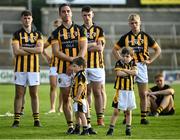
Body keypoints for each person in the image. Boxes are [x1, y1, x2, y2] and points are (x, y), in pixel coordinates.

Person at [112, 13, 161, 124]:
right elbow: (114, 50)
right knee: (127, 92)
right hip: (129, 67)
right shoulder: (125, 37)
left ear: (140, 23)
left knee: (143, 94)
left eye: (136, 23)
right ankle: (126, 117)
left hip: (142, 66)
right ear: (129, 24)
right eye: (132, 23)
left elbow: (158, 50)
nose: (134, 25)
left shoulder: (146, 36)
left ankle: (143, 118)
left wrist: (150, 60)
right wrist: (121, 61)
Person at [51, 3, 87, 134]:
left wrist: (75, 66)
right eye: (63, 12)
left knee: (81, 96)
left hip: (78, 70)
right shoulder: (56, 32)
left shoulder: (80, 29)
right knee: (66, 98)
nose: (66, 13)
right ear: (60, 14)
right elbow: (55, 51)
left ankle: (84, 125)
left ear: (71, 13)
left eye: (68, 11)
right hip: (63, 70)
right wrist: (72, 62)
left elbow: (83, 48)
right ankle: (70, 126)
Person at [11, 10, 43, 127]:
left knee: (34, 94)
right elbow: (16, 51)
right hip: (20, 69)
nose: (27, 20)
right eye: (25, 18)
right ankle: (16, 120)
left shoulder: (38, 34)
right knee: (19, 94)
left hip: (34, 69)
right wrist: (32, 49)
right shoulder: (16, 34)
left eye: (29, 18)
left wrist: (23, 47)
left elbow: (39, 50)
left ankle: (36, 120)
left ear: (32, 19)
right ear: (21, 19)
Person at [81, 6, 106, 126]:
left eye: (89, 15)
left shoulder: (99, 29)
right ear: (82, 16)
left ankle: (100, 118)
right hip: (83, 66)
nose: (87, 17)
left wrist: (85, 46)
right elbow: (78, 48)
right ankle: (87, 118)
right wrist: (92, 44)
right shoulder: (78, 29)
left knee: (97, 92)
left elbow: (100, 47)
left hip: (97, 65)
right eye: (85, 15)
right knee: (85, 93)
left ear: (93, 15)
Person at [106, 47, 137, 136]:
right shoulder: (119, 62)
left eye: (127, 56)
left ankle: (128, 129)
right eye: (123, 56)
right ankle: (111, 129)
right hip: (120, 91)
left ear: (131, 57)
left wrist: (124, 70)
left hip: (130, 91)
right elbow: (118, 74)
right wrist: (129, 72)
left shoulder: (133, 62)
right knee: (116, 111)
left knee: (128, 111)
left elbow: (135, 73)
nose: (125, 58)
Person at [43, 19, 63, 113]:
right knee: (53, 86)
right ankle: (52, 108)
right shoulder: (53, 36)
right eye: (54, 26)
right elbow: (43, 47)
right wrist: (47, 57)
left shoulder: (67, 35)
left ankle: (61, 107)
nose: (55, 28)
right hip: (54, 65)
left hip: (64, 64)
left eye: (57, 25)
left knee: (63, 87)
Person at [71, 57, 89, 135]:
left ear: (81, 67)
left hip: (80, 99)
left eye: (74, 66)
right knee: (77, 114)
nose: (73, 67)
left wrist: (77, 97)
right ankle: (77, 129)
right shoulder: (78, 74)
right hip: (77, 99)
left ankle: (85, 130)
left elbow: (81, 86)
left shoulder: (81, 75)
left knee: (81, 114)